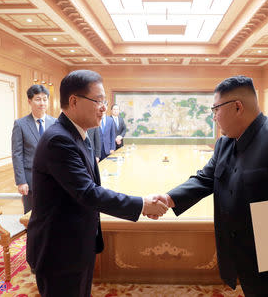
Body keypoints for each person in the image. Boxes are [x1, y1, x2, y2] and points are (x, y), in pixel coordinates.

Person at [154, 75, 268, 297]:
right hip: (248, 258)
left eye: (215, 109)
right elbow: (205, 178)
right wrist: (169, 198)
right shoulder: (225, 143)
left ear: (237, 107)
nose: (213, 117)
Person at [26, 70, 168, 297]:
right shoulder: (59, 140)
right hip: (59, 250)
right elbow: (88, 193)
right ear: (73, 101)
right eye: (98, 101)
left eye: (105, 101)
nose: (104, 107)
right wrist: (141, 204)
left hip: (76, 244)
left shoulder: (76, 134)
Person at [11, 84, 55, 214]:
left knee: (53, 214)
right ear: (30, 101)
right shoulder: (20, 124)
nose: (42, 103)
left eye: (45, 99)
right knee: (32, 216)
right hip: (31, 179)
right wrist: (21, 181)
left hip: (54, 179)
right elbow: (17, 154)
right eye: (38, 99)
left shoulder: (55, 123)